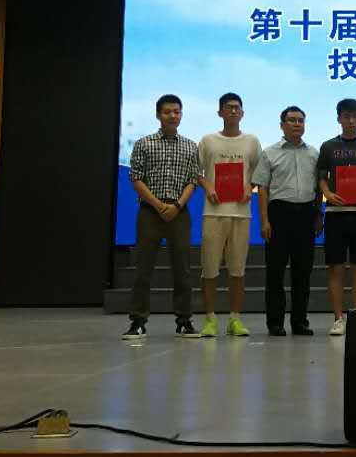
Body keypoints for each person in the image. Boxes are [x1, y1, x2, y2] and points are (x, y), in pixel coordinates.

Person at [123, 94, 201, 340]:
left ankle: (184, 320)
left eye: (177, 112)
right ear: (158, 115)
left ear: (181, 115)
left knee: (183, 269)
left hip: (179, 212)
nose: (172, 116)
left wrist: (177, 205)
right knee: (143, 269)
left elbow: (192, 180)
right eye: (167, 112)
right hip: (150, 212)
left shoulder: (191, 146)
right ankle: (138, 321)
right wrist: (158, 205)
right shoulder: (144, 143)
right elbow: (136, 178)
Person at [196, 92, 261, 338]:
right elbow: (196, 172)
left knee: (237, 270)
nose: (233, 111)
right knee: (209, 269)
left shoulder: (251, 141)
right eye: (228, 107)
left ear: (242, 113)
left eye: (237, 107)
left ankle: (235, 319)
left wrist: (249, 187)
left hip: (241, 214)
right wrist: (208, 186)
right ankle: (210, 319)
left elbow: (260, 173)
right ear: (220, 112)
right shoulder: (208, 141)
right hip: (213, 213)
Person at [252, 105, 321, 336]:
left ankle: (300, 322)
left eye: (300, 120)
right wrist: (264, 221)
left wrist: (318, 214)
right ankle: (275, 322)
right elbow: (262, 188)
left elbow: (318, 188)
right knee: (275, 272)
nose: (297, 124)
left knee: (303, 272)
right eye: (292, 120)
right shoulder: (269, 153)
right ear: (282, 125)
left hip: (306, 214)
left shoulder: (314, 154)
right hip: (279, 214)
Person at [317, 98, 356, 336]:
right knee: (335, 268)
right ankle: (338, 319)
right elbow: (322, 177)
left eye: (355, 116)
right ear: (339, 119)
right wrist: (327, 194)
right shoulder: (328, 146)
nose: (351, 120)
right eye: (346, 116)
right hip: (335, 214)